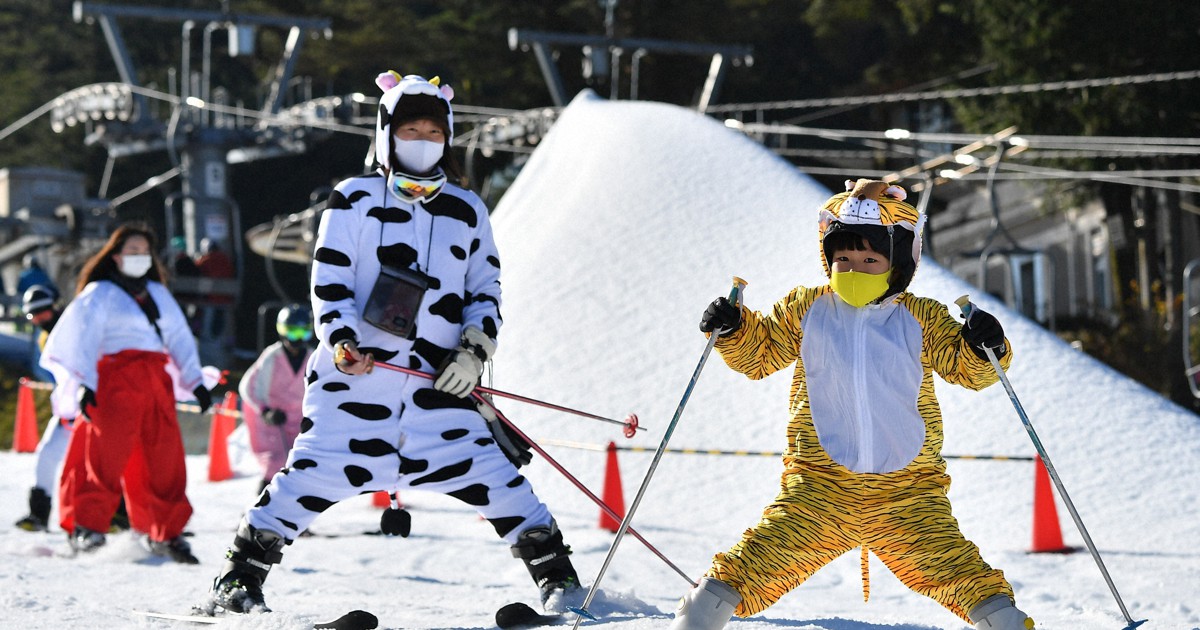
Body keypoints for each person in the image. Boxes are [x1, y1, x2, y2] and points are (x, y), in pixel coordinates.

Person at [203, 70, 580, 615]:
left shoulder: (467, 210)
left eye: (433, 133)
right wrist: (341, 340)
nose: (422, 143)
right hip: (356, 385)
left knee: (497, 479)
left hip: (439, 389)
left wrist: (474, 351)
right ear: (385, 133)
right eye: (410, 130)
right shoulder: (352, 199)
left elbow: (486, 289)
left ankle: (560, 583)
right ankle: (238, 582)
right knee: (305, 479)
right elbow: (328, 282)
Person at [673, 179, 1033, 630]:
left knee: (961, 574)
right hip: (818, 491)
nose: (853, 269)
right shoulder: (808, 309)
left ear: (899, 263)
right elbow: (761, 353)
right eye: (843, 258)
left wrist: (987, 347)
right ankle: (698, 618)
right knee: (749, 567)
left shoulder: (921, 317)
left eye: (869, 260)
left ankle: (1004, 623)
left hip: (908, 495)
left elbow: (967, 368)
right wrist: (733, 328)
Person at [39, 222, 212, 563]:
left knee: (164, 459)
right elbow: (85, 338)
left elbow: (179, 338)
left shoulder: (158, 294)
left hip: (155, 382)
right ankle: (86, 527)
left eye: (144, 252)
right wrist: (85, 382)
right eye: (132, 252)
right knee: (101, 456)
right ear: (115, 256)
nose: (139, 257)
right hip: (114, 379)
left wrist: (196, 382)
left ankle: (165, 532)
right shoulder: (99, 292)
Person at [237, 304, 315, 494]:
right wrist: (265, 411)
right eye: (291, 332)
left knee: (298, 468)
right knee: (275, 465)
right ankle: (259, 514)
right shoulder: (272, 357)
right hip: (272, 422)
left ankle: (294, 519)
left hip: (298, 423)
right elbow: (248, 387)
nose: (296, 340)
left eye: (302, 333)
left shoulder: (312, 358)